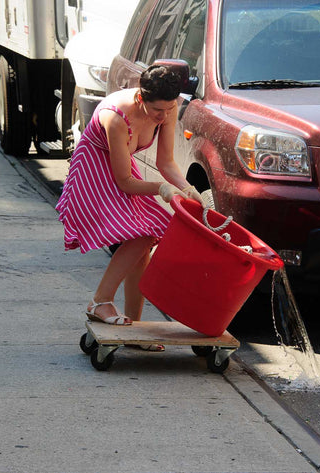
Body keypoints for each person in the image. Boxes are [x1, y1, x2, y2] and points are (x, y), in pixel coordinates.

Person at [56, 64, 203, 348]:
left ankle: (135, 330)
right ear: (140, 99)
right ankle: (99, 302)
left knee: (142, 243)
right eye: (158, 110)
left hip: (121, 170)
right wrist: (162, 189)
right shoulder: (116, 117)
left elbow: (166, 163)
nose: (164, 116)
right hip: (94, 169)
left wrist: (186, 189)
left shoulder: (167, 109)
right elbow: (123, 181)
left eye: (169, 109)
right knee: (144, 232)